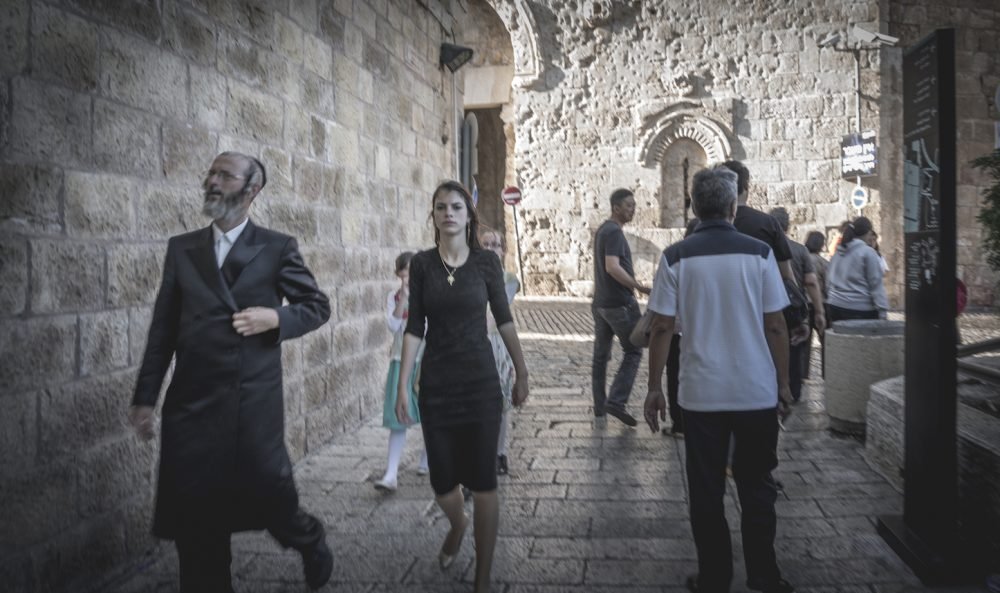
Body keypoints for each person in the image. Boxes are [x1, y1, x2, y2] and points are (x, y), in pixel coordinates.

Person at [129, 152, 333, 592]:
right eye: (211, 173)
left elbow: (317, 307)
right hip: (192, 405)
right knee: (196, 519)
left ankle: (309, 539)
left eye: (224, 174)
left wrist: (275, 319)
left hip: (252, 402)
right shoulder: (181, 248)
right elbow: (163, 329)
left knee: (272, 498)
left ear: (251, 190)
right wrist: (146, 397)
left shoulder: (277, 246)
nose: (212, 180)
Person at [644, 165, 794, 593]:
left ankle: (715, 576)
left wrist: (655, 388)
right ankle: (764, 575)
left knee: (706, 491)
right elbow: (777, 326)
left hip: (700, 395)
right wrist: (783, 383)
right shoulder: (760, 253)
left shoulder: (675, 256)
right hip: (755, 392)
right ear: (733, 206)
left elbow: (660, 328)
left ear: (693, 206)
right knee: (757, 486)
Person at [395, 181, 529, 593]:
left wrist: (522, 372)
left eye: (456, 207)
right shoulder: (421, 265)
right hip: (436, 382)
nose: (448, 213)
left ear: (468, 216)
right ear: (433, 216)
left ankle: (483, 577)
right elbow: (415, 326)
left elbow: (504, 320)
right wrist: (403, 385)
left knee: (485, 480)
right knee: (442, 481)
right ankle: (458, 524)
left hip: (480, 381)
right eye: (441, 208)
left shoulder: (486, 265)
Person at [721, 161, 823, 343]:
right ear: (746, 187)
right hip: (761, 316)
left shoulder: (703, 229)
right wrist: (800, 319)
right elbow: (787, 277)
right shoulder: (768, 224)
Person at [592, 188, 651, 426]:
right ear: (616, 207)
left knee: (600, 357)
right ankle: (616, 401)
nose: (633, 209)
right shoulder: (614, 232)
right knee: (634, 350)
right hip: (619, 304)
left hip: (601, 303)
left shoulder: (603, 230)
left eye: (633, 205)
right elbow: (612, 267)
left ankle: (599, 407)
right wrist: (639, 287)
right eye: (629, 205)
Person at [375, 251, 429, 491]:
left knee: (430, 412)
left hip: (426, 359)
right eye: (406, 273)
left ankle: (427, 460)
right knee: (399, 417)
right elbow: (393, 325)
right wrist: (404, 300)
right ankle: (391, 473)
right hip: (400, 359)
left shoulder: (430, 295)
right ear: (399, 274)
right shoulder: (394, 297)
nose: (410, 277)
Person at [769, 208, 824, 402]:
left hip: (769, 309)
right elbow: (810, 282)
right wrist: (819, 310)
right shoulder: (800, 250)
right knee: (794, 351)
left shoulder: (762, 248)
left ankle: (774, 388)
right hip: (793, 309)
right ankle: (793, 391)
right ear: (788, 226)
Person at [480, 227, 521, 476]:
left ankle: (499, 452)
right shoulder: (469, 275)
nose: (491, 249)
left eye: (495, 245)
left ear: (503, 250)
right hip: (474, 344)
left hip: (497, 345)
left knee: (501, 401)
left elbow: (497, 313)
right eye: (485, 244)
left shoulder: (509, 280)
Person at [825, 216, 889, 325]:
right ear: (868, 232)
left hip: (835, 306)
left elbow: (828, 280)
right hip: (860, 308)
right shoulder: (868, 253)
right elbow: (876, 284)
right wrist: (882, 310)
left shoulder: (838, 253)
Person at [803, 231, 829, 380]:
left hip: (804, 304)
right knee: (824, 341)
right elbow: (827, 285)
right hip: (821, 303)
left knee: (805, 343)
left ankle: (803, 373)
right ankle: (826, 373)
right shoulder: (823, 263)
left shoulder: (802, 259)